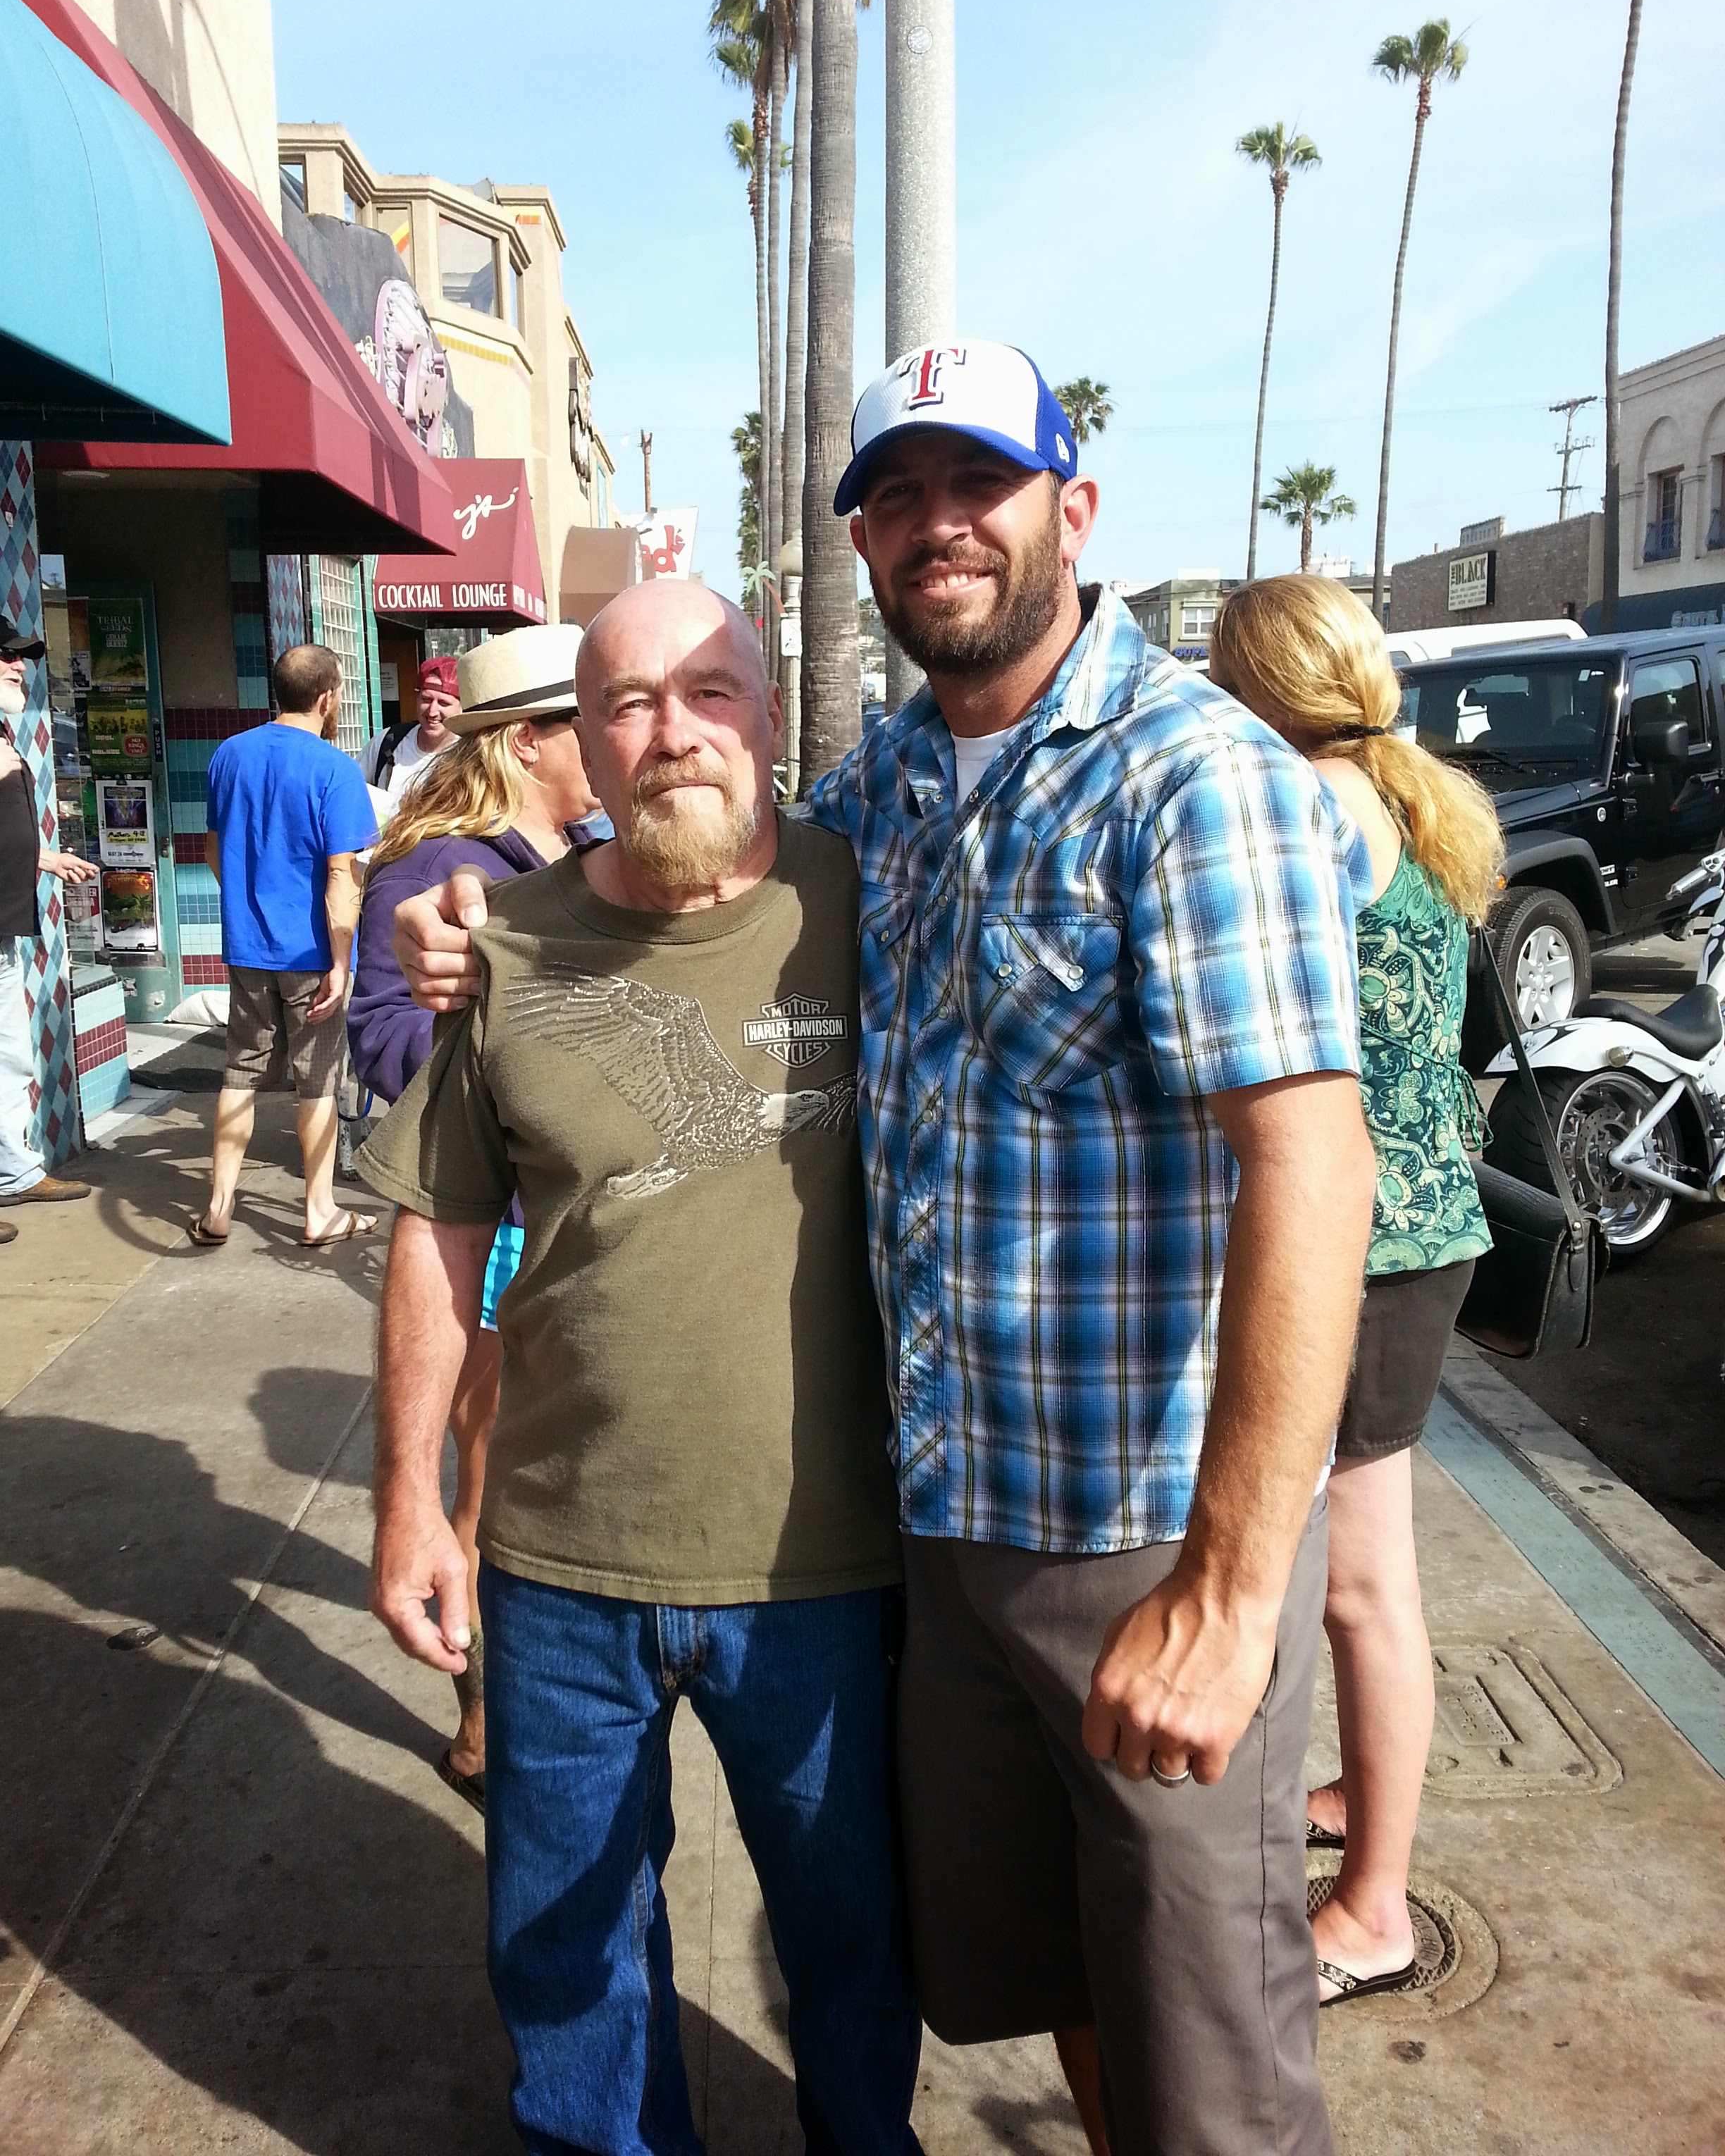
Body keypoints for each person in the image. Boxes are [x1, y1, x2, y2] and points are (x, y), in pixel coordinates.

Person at [392, 345, 1378, 2156]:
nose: (938, 527)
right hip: (932, 1546)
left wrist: (1237, 1593)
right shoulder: (891, 788)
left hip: (1135, 1537)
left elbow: (1312, 1165)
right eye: (896, 497)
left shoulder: (1187, 776)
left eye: (978, 485)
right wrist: (485, 914)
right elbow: (698, 866)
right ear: (860, 547)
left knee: (1210, 2064)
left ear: (1069, 511)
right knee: (1046, 1990)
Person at [360, 581, 923, 2156]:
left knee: (858, 1957)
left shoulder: (878, 903)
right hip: (558, 1566)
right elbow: (433, 1231)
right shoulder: (503, 950)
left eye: (707, 692)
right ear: (577, 749)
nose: (670, 734)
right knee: (567, 1963)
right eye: (623, 704)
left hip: (826, 1565)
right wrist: (414, 1503)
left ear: (768, 716)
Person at [1208, 573, 1501, 2007]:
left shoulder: (1312, 807)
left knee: (1365, 1588)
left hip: (1366, 1247)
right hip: (1421, 1223)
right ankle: (1357, 1805)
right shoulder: (1419, 793)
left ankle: (1376, 1907)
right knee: (1364, 1580)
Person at [347, 623, 607, 1813]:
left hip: (556, 1220)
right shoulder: (444, 864)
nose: (620, 737)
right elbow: (383, 1032)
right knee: (494, 1484)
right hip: (494, 1223)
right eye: (592, 717)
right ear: (533, 739)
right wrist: (501, 1042)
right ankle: (485, 1727)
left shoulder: (581, 845)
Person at [192, 642, 378, 1249]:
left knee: (240, 1072)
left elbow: (215, 853)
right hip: (310, 951)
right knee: (318, 1078)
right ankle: (318, 1210)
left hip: (246, 948)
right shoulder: (334, 769)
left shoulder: (228, 755)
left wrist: (252, 906)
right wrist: (342, 962)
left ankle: (218, 1207)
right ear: (328, 697)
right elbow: (340, 876)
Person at [0, 621, 97, 1232]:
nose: (20, 667)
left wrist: (42, 857)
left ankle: (16, 1171)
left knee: (11, 1054)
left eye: (23, 658)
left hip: (4, 925)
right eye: (6, 657)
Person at [359, 654, 460, 822]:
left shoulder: (470, 754)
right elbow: (352, 791)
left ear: (462, 707)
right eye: (426, 700)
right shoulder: (389, 741)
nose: (432, 711)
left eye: (443, 703)